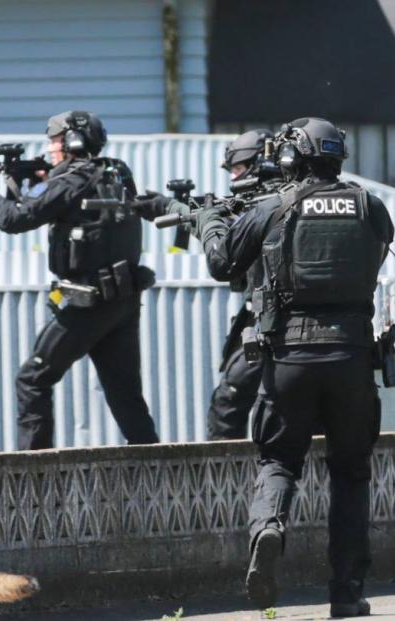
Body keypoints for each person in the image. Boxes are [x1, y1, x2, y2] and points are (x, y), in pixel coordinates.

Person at [191, 118, 392, 617]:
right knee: (350, 476)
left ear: (287, 159)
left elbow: (222, 263)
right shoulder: (372, 207)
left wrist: (212, 219)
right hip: (351, 359)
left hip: (289, 358)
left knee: (279, 461)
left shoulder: (272, 207)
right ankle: (346, 595)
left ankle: (269, 529)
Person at [0, 110, 159, 450]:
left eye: (55, 140)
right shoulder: (117, 171)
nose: (49, 147)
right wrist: (40, 177)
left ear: (73, 141)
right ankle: (157, 473)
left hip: (87, 303)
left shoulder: (70, 182)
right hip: (122, 300)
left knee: (31, 381)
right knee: (126, 397)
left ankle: (36, 475)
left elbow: (14, 218)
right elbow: (65, 202)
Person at [135, 129, 283, 440]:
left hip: (277, 326)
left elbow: (225, 251)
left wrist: (173, 209)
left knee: (230, 403)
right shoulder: (275, 203)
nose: (234, 177)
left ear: (261, 163)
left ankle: (234, 482)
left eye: (239, 169)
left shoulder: (269, 206)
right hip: (277, 324)